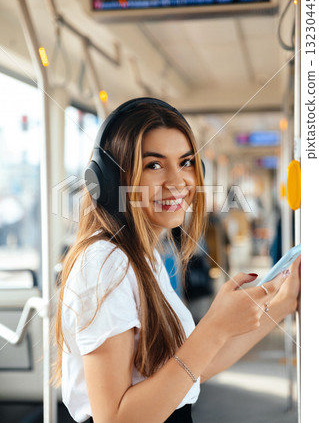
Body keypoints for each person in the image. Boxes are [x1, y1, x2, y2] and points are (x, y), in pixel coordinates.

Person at [53, 98, 300, 423]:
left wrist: (284, 302)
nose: (177, 181)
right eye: (154, 165)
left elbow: (195, 367)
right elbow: (115, 419)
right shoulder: (103, 263)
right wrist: (213, 328)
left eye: (185, 163)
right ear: (110, 181)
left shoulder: (143, 257)